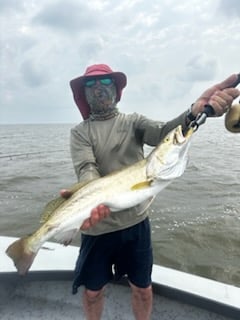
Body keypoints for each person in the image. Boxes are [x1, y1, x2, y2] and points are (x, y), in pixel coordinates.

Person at [62, 64, 239, 320]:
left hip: (136, 225)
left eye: (105, 82)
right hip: (96, 228)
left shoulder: (133, 121)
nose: (98, 88)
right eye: (90, 84)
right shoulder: (80, 132)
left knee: (143, 289)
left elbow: (162, 133)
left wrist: (193, 112)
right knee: (91, 292)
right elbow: (86, 167)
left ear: (116, 89)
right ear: (83, 94)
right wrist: (92, 194)